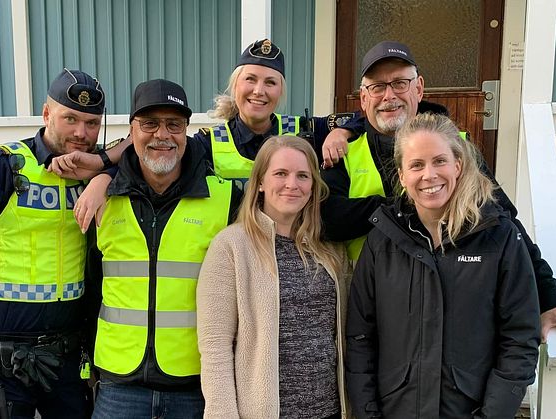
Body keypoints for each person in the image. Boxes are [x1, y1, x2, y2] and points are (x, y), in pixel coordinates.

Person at [321, 40, 556, 345]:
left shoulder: (458, 147)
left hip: (451, 312)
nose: (389, 96)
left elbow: (504, 222)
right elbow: (329, 220)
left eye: (400, 83)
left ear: (419, 88)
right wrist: (409, 202)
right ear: (363, 97)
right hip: (372, 313)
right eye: (378, 87)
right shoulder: (342, 151)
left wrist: (550, 297)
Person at [0, 68, 105, 418]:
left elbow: (138, 147)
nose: (81, 133)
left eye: (92, 123)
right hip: (0, 361)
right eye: (69, 119)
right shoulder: (1, 165)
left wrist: (103, 173)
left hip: (67, 356)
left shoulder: (96, 169)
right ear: (46, 115)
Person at [346, 113, 540, 418]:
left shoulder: (497, 237)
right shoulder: (381, 241)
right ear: (401, 176)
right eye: (417, 165)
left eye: (439, 161)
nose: (429, 175)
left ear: (458, 165)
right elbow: (360, 338)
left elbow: (520, 338)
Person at [48, 39, 356, 230]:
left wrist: (341, 131)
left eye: (271, 82)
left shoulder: (302, 131)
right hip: (233, 250)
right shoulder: (208, 141)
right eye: (250, 79)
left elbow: (358, 116)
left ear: (281, 90)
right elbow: (154, 152)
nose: (259, 91)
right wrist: (104, 176)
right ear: (235, 86)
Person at [89, 79, 241, 419]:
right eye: (149, 124)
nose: (162, 134)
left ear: (186, 131)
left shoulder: (226, 199)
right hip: (119, 386)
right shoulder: (102, 199)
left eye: (174, 124)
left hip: (195, 385)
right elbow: (87, 285)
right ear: (131, 130)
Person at [197, 136, 350, 418]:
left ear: (313, 186)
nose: (292, 184)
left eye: (303, 176)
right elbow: (215, 347)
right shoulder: (231, 246)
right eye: (280, 173)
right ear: (261, 183)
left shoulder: (329, 249)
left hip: (329, 411)